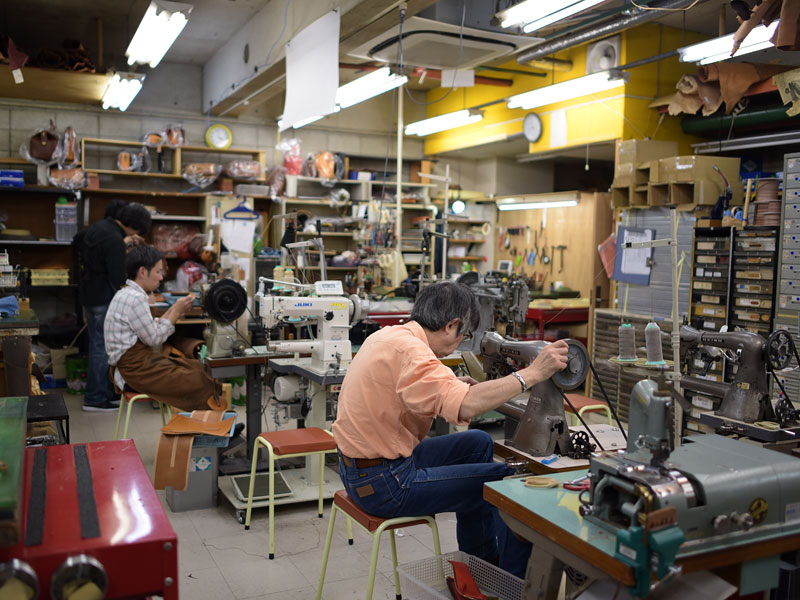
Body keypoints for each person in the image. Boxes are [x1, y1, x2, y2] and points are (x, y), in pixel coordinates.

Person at [331, 281, 569, 577]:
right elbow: (467, 407)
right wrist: (532, 374)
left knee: (479, 443)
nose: (459, 345)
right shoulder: (413, 353)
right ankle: (511, 586)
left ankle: (480, 565)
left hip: (359, 471)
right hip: (385, 486)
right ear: (451, 325)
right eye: (463, 336)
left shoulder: (390, 336)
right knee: (509, 480)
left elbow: (410, 390)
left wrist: (452, 387)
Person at [104, 245, 223, 411]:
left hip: (140, 364)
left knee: (197, 367)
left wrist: (173, 311)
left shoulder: (125, 293)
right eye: (158, 272)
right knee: (198, 379)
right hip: (136, 371)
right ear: (143, 272)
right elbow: (154, 339)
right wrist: (175, 313)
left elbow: (149, 329)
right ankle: (214, 429)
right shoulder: (136, 298)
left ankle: (213, 426)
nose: (161, 278)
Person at [76, 202, 151, 412]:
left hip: (90, 295)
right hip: (102, 298)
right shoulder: (114, 240)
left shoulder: (100, 228)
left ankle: (102, 393)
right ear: (134, 227)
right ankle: (95, 398)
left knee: (98, 346)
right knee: (103, 348)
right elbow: (118, 277)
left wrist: (124, 242)